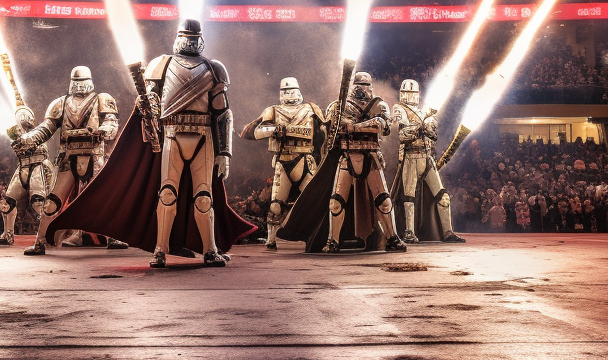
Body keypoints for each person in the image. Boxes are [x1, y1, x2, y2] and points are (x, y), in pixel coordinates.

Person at [42, 18, 254, 268]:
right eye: (187, 36)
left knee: (203, 196)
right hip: (171, 133)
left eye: (192, 36)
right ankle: (160, 249)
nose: (189, 40)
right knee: (167, 193)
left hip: (201, 135)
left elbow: (222, 114)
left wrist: (225, 153)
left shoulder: (214, 68)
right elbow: (151, 102)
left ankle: (210, 249)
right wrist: (146, 109)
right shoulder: (162, 65)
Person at [280, 71, 406, 253]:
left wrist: (355, 126)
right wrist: (350, 125)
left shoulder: (379, 105)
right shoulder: (339, 105)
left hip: (371, 156)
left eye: (365, 86)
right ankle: (333, 240)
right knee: (336, 202)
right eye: (359, 85)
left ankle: (392, 237)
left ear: (370, 87)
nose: (361, 89)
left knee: (384, 201)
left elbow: (383, 128)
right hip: (347, 156)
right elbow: (332, 130)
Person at [12, 66, 119, 256]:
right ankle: (40, 241)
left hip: (94, 155)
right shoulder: (60, 103)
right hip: (68, 157)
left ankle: (113, 237)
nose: (79, 86)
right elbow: (47, 128)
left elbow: (111, 122)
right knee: (53, 201)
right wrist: (28, 139)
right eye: (76, 82)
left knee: (103, 196)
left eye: (82, 82)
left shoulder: (102, 99)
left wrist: (104, 130)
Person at [240, 77, 326, 250]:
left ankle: (316, 236)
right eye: (285, 91)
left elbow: (324, 134)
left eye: (291, 90)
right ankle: (271, 239)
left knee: (313, 201)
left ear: (299, 91)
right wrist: (273, 130)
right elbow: (248, 132)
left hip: (306, 159)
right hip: (284, 160)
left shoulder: (311, 109)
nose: (289, 93)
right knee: (276, 204)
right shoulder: (272, 111)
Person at [390, 78, 464, 244]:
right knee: (409, 197)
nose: (411, 96)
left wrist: (428, 127)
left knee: (443, 196)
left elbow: (433, 135)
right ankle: (409, 232)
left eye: (413, 93)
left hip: (427, 157)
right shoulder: (399, 109)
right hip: (410, 156)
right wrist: (421, 127)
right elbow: (403, 135)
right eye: (409, 93)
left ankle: (447, 232)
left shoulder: (424, 113)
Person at [0, 105, 55, 247]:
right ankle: (8, 234)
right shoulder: (15, 133)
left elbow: (41, 148)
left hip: (38, 167)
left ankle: (46, 235)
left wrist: (25, 140)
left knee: (39, 203)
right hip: (23, 168)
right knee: (6, 203)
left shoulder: (40, 132)